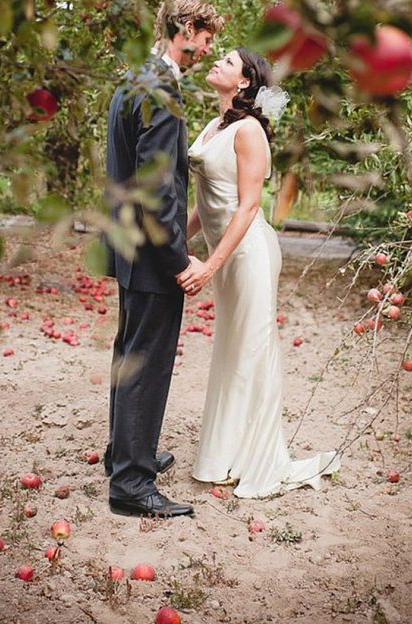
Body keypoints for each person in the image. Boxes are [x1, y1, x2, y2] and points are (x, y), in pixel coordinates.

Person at [177, 47, 340, 498]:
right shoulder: (214, 126)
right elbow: (206, 203)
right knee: (231, 349)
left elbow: (248, 207)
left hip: (248, 255)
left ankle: (249, 459)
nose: (216, 64)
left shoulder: (249, 131)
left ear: (245, 82)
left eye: (226, 62)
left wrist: (209, 265)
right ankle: (223, 456)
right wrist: (177, 241)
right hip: (224, 254)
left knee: (250, 352)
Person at [104, 0, 224, 517]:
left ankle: (125, 454)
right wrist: (180, 260)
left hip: (131, 247)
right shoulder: (161, 89)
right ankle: (132, 485)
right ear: (185, 29)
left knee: (130, 355)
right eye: (204, 36)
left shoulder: (137, 78)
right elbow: (157, 188)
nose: (206, 47)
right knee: (148, 363)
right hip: (153, 255)